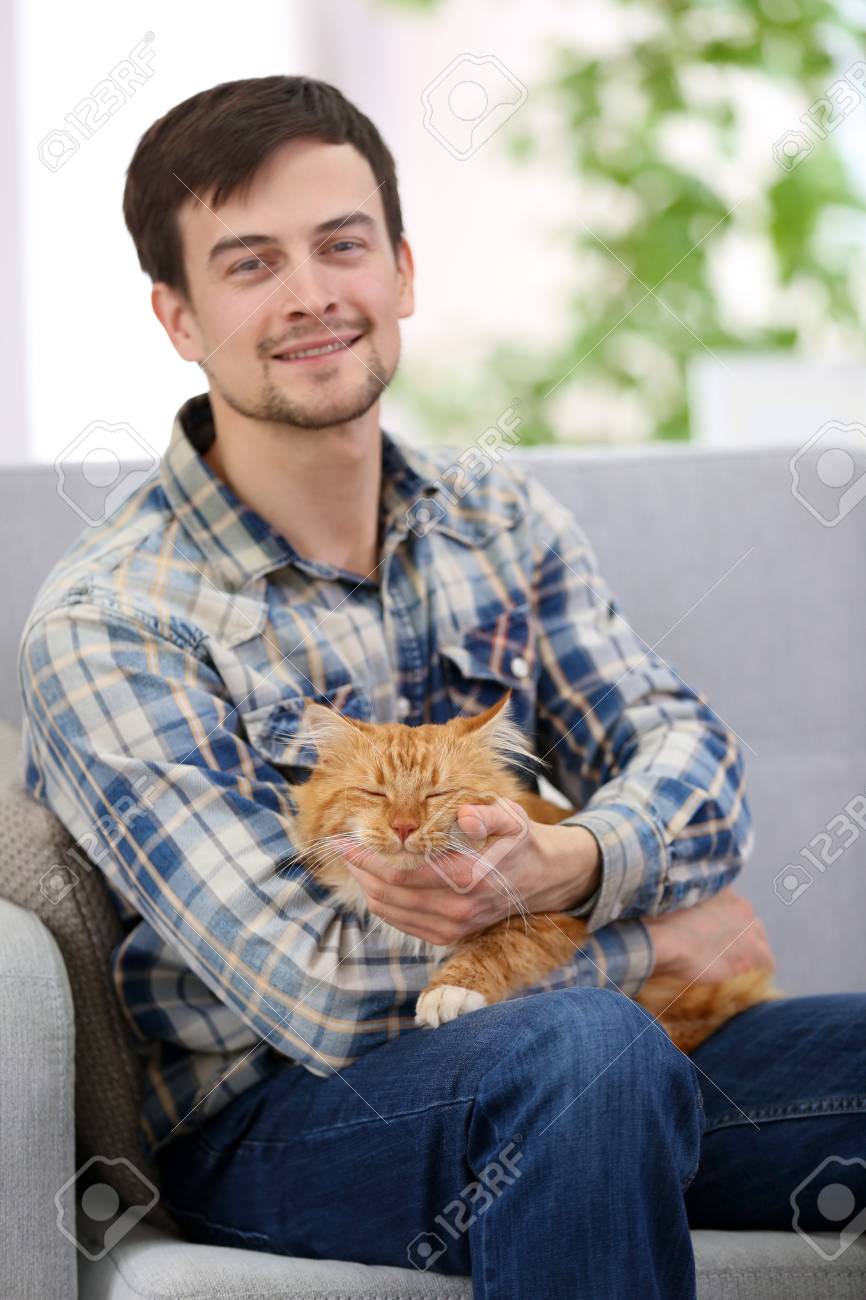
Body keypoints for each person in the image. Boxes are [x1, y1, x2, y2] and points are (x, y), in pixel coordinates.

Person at [18, 76, 865, 1298]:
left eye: (341, 246)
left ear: (400, 274)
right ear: (179, 317)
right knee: (586, 1052)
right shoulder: (114, 621)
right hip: (281, 1120)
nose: (311, 294)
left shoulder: (497, 519)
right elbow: (313, 988)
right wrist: (653, 944)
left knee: (595, 1068)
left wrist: (574, 863)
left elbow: (693, 768)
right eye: (250, 263)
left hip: (567, 1071)